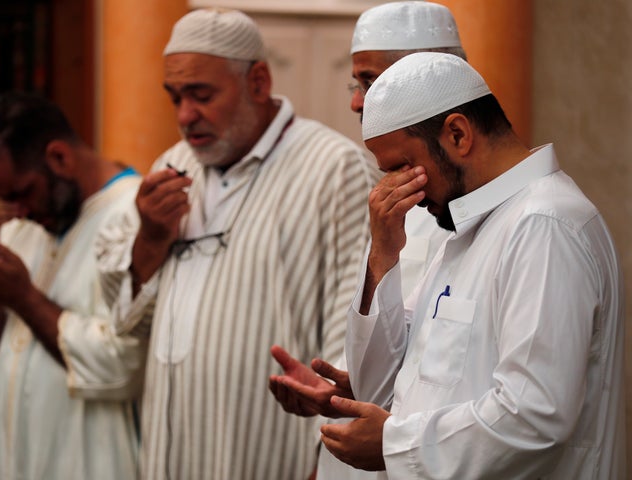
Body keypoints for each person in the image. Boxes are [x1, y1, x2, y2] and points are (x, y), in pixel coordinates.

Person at [95, 8, 376, 480]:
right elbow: (125, 321)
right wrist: (151, 236)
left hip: (276, 458)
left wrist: (326, 462)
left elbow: (355, 333)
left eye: (201, 95)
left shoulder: (334, 168)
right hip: (172, 454)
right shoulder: (173, 165)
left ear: (259, 82)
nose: (185, 115)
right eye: (175, 97)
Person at [319, 52, 625, 478]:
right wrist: (383, 254)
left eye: (403, 167)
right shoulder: (468, 227)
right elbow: (380, 388)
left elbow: (535, 414)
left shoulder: (544, 224)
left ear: (458, 135)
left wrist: (395, 445)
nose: (395, 187)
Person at [268, 3, 463, 478]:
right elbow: (409, 350)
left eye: (370, 82)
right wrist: (343, 390)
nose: (357, 103)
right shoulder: (398, 199)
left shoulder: (494, 214)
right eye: (356, 85)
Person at [0, 92, 144, 480]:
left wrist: (23, 297)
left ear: (59, 158)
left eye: (20, 193)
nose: (15, 212)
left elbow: (123, 367)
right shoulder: (23, 224)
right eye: (1, 199)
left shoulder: (137, 216)